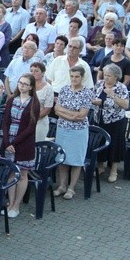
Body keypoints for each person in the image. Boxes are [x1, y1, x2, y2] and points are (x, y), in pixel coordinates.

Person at [1, 73, 40, 218]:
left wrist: (14, 142)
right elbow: (5, 121)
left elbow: (31, 127)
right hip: (9, 140)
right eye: (20, 82)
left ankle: (17, 205)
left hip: (24, 142)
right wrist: (7, 142)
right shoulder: (12, 100)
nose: (21, 86)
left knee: (23, 173)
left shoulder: (34, 103)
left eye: (25, 84)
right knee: (11, 172)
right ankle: (10, 203)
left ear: (30, 87)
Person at [53, 66, 93, 200]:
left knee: (76, 159)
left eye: (77, 76)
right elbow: (56, 110)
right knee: (62, 159)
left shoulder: (87, 93)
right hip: (62, 128)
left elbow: (82, 115)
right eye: (72, 76)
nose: (74, 79)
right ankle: (62, 185)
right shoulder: (64, 89)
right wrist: (72, 116)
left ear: (82, 77)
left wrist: (65, 111)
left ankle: (71, 188)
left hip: (79, 131)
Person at [92, 64, 128, 183]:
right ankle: (100, 166)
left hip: (115, 120)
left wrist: (112, 95)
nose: (106, 77)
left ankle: (114, 171)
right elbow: (94, 98)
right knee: (100, 142)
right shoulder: (99, 84)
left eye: (109, 76)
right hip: (99, 118)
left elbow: (125, 105)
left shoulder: (121, 88)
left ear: (116, 77)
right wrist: (94, 101)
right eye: (105, 74)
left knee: (115, 144)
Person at [30, 62, 54, 141]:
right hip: (25, 120)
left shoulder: (48, 88)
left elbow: (47, 109)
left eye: (36, 71)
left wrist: (33, 118)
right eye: (31, 71)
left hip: (39, 122)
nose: (33, 73)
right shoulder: (27, 85)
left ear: (43, 73)